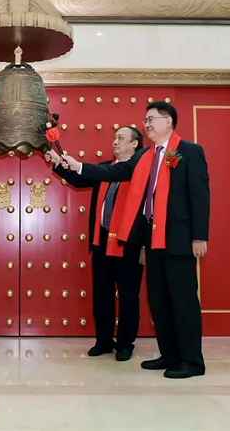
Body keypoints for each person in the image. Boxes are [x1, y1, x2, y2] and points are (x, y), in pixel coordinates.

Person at [61, 101, 210, 379]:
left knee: (183, 301)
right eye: (145, 120)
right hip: (152, 239)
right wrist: (78, 166)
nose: (147, 124)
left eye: (151, 119)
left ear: (168, 121)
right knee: (159, 301)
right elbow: (114, 172)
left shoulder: (189, 151)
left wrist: (199, 236)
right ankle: (170, 355)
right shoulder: (144, 155)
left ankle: (192, 362)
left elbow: (199, 195)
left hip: (179, 239)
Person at [45, 126, 145, 361]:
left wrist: (143, 245)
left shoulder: (139, 170)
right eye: (114, 137)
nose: (115, 141)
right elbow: (79, 179)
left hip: (128, 243)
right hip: (102, 241)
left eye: (121, 138)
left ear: (134, 144)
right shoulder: (105, 167)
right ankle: (103, 340)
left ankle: (125, 343)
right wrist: (58, 163)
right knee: (102, 294)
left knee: (128, 296)